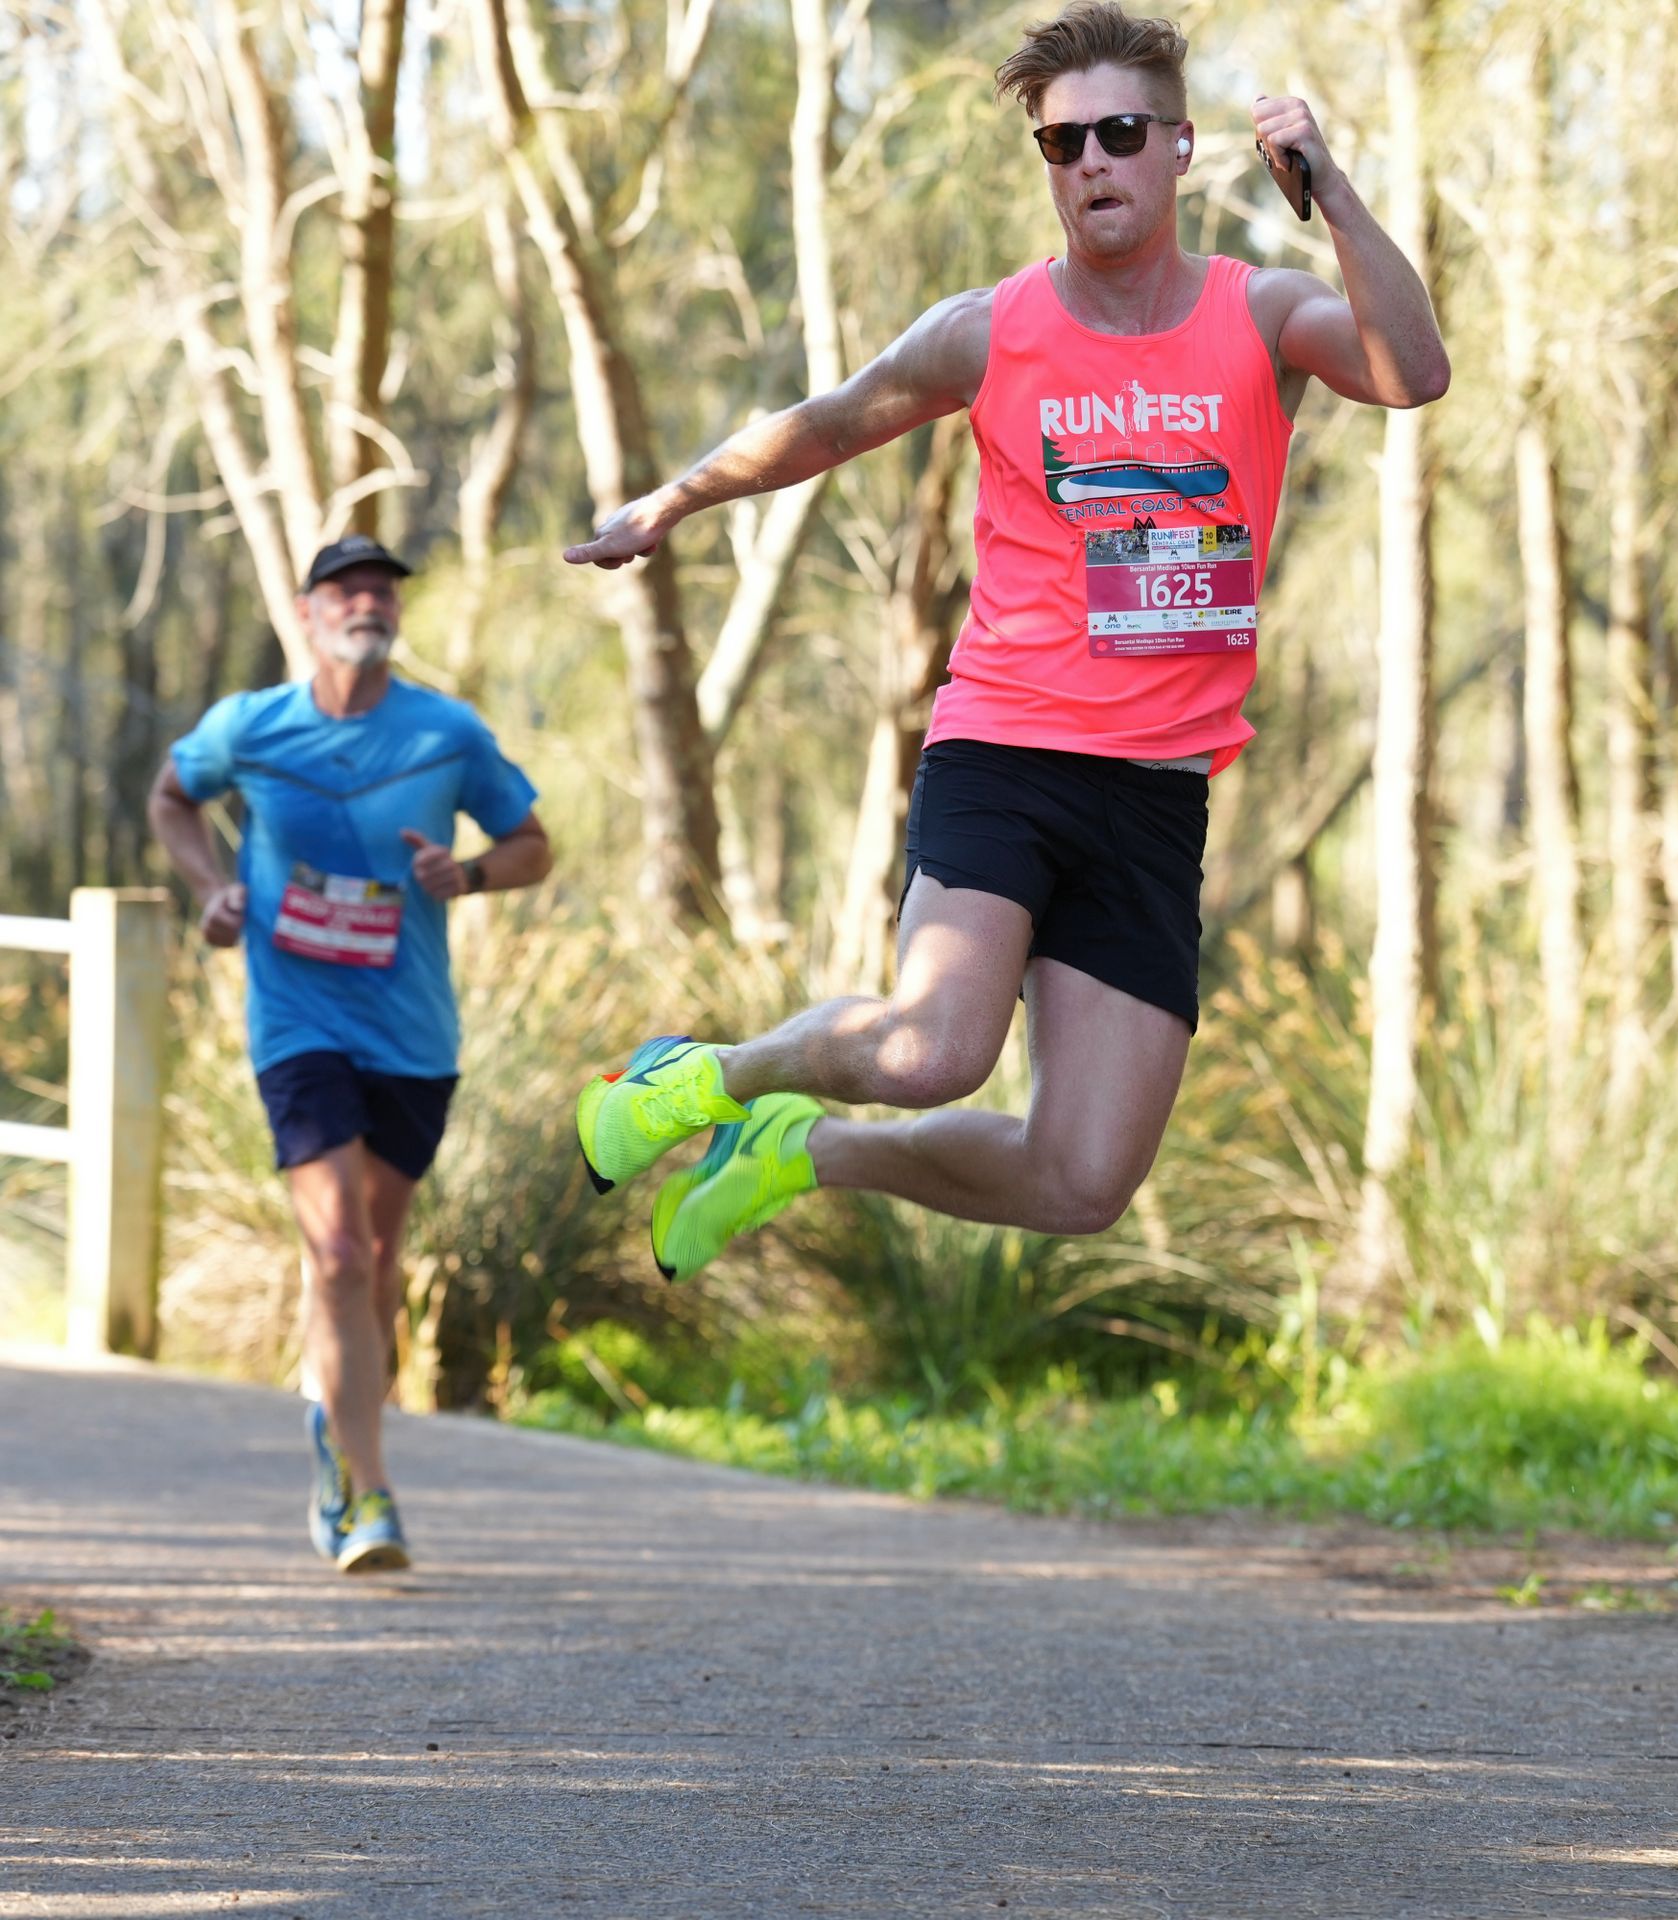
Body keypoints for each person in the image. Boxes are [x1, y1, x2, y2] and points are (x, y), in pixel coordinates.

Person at [564, 2, 1447, 1277]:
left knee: (1082, 1178)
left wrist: (1334, 194)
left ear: (1179, 148)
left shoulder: (1263, 317)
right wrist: (676, 498)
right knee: (932, 1050)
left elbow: (1413, 372)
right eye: (1061, 143)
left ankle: (794, 1151)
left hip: (1155, 793)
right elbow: (829, 419)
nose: (1090, 160)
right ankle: (705, 1078)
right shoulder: (993, 328)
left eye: (1119, 133)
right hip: (1009, 749)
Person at [150, 534, 552, 1574]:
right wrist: (211, 891)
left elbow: (533, 846)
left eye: (381, 590)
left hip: (413, 1031)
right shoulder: (251, 726)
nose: (367, 602)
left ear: (395, 617)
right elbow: (169, 797)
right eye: (347, 589)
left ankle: (336, 1411)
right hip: (298, 1023)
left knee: (375, 1259)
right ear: (308, 611)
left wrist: (467, 875)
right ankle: (364, 1497)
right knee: (334, 1253)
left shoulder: (445, 732)